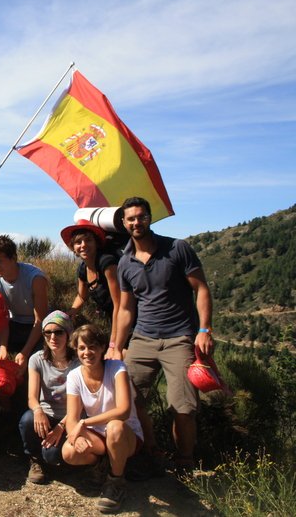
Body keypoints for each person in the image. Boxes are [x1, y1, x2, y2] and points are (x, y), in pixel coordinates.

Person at [112, 196, 213, 472]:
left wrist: (204, 330)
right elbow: (125, 309)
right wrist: (116, 345)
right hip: (143, 338)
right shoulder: (125, 262)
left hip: (179, 337)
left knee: (183, 406)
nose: (136, 222)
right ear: (123, 223)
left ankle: (184, 460)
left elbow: (201, 289)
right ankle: (150, 449)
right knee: (126, 400)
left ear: (149, 218)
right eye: (130, 218)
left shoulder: (177, 249)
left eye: (141, 216)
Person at [63, 324, 143, 514]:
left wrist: (85, 423)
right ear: (76, 349)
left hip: (126, 433)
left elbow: (123, 411)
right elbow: (72, 420)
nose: (87, 352)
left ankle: (116, 481)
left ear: (102, 348)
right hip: (100, 434)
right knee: (69, 452)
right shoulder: (74, 376)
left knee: (115, 427)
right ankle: (103, 466)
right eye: (82, 347)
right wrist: (78, 436)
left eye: (92, 346)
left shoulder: (117, 368)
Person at [17, 311, 79, 484]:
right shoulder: (37, 359)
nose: (53, 337)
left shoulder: (78, 362)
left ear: (68, 334)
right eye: (47, 332)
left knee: (51, 455)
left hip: (70, 417)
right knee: (27, 419)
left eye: (58, 332)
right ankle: (35, 460)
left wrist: (61, 426)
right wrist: (37, 410)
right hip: (45, 415)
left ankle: (56, 458)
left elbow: (81, 403)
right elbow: (32, 397)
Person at [0, 235, 49, 365]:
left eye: (0, 261)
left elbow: (40, 319)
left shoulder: (35, 278)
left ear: (13, 258)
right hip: (13, 323)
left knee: (35, 360)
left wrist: (25, 352)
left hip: (36, 326)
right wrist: (3, 347)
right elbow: (1, 315)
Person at [62, 220, 121, 345]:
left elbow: (119, 304)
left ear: (96, 243)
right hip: (113, 319)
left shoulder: (107, 263)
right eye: (78, 242)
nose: (83, 245)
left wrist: (114, 342)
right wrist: (70, 313)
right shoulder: (83, 269)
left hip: (129, 319)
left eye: (88, 240)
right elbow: (82, 296)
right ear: (73, 247)